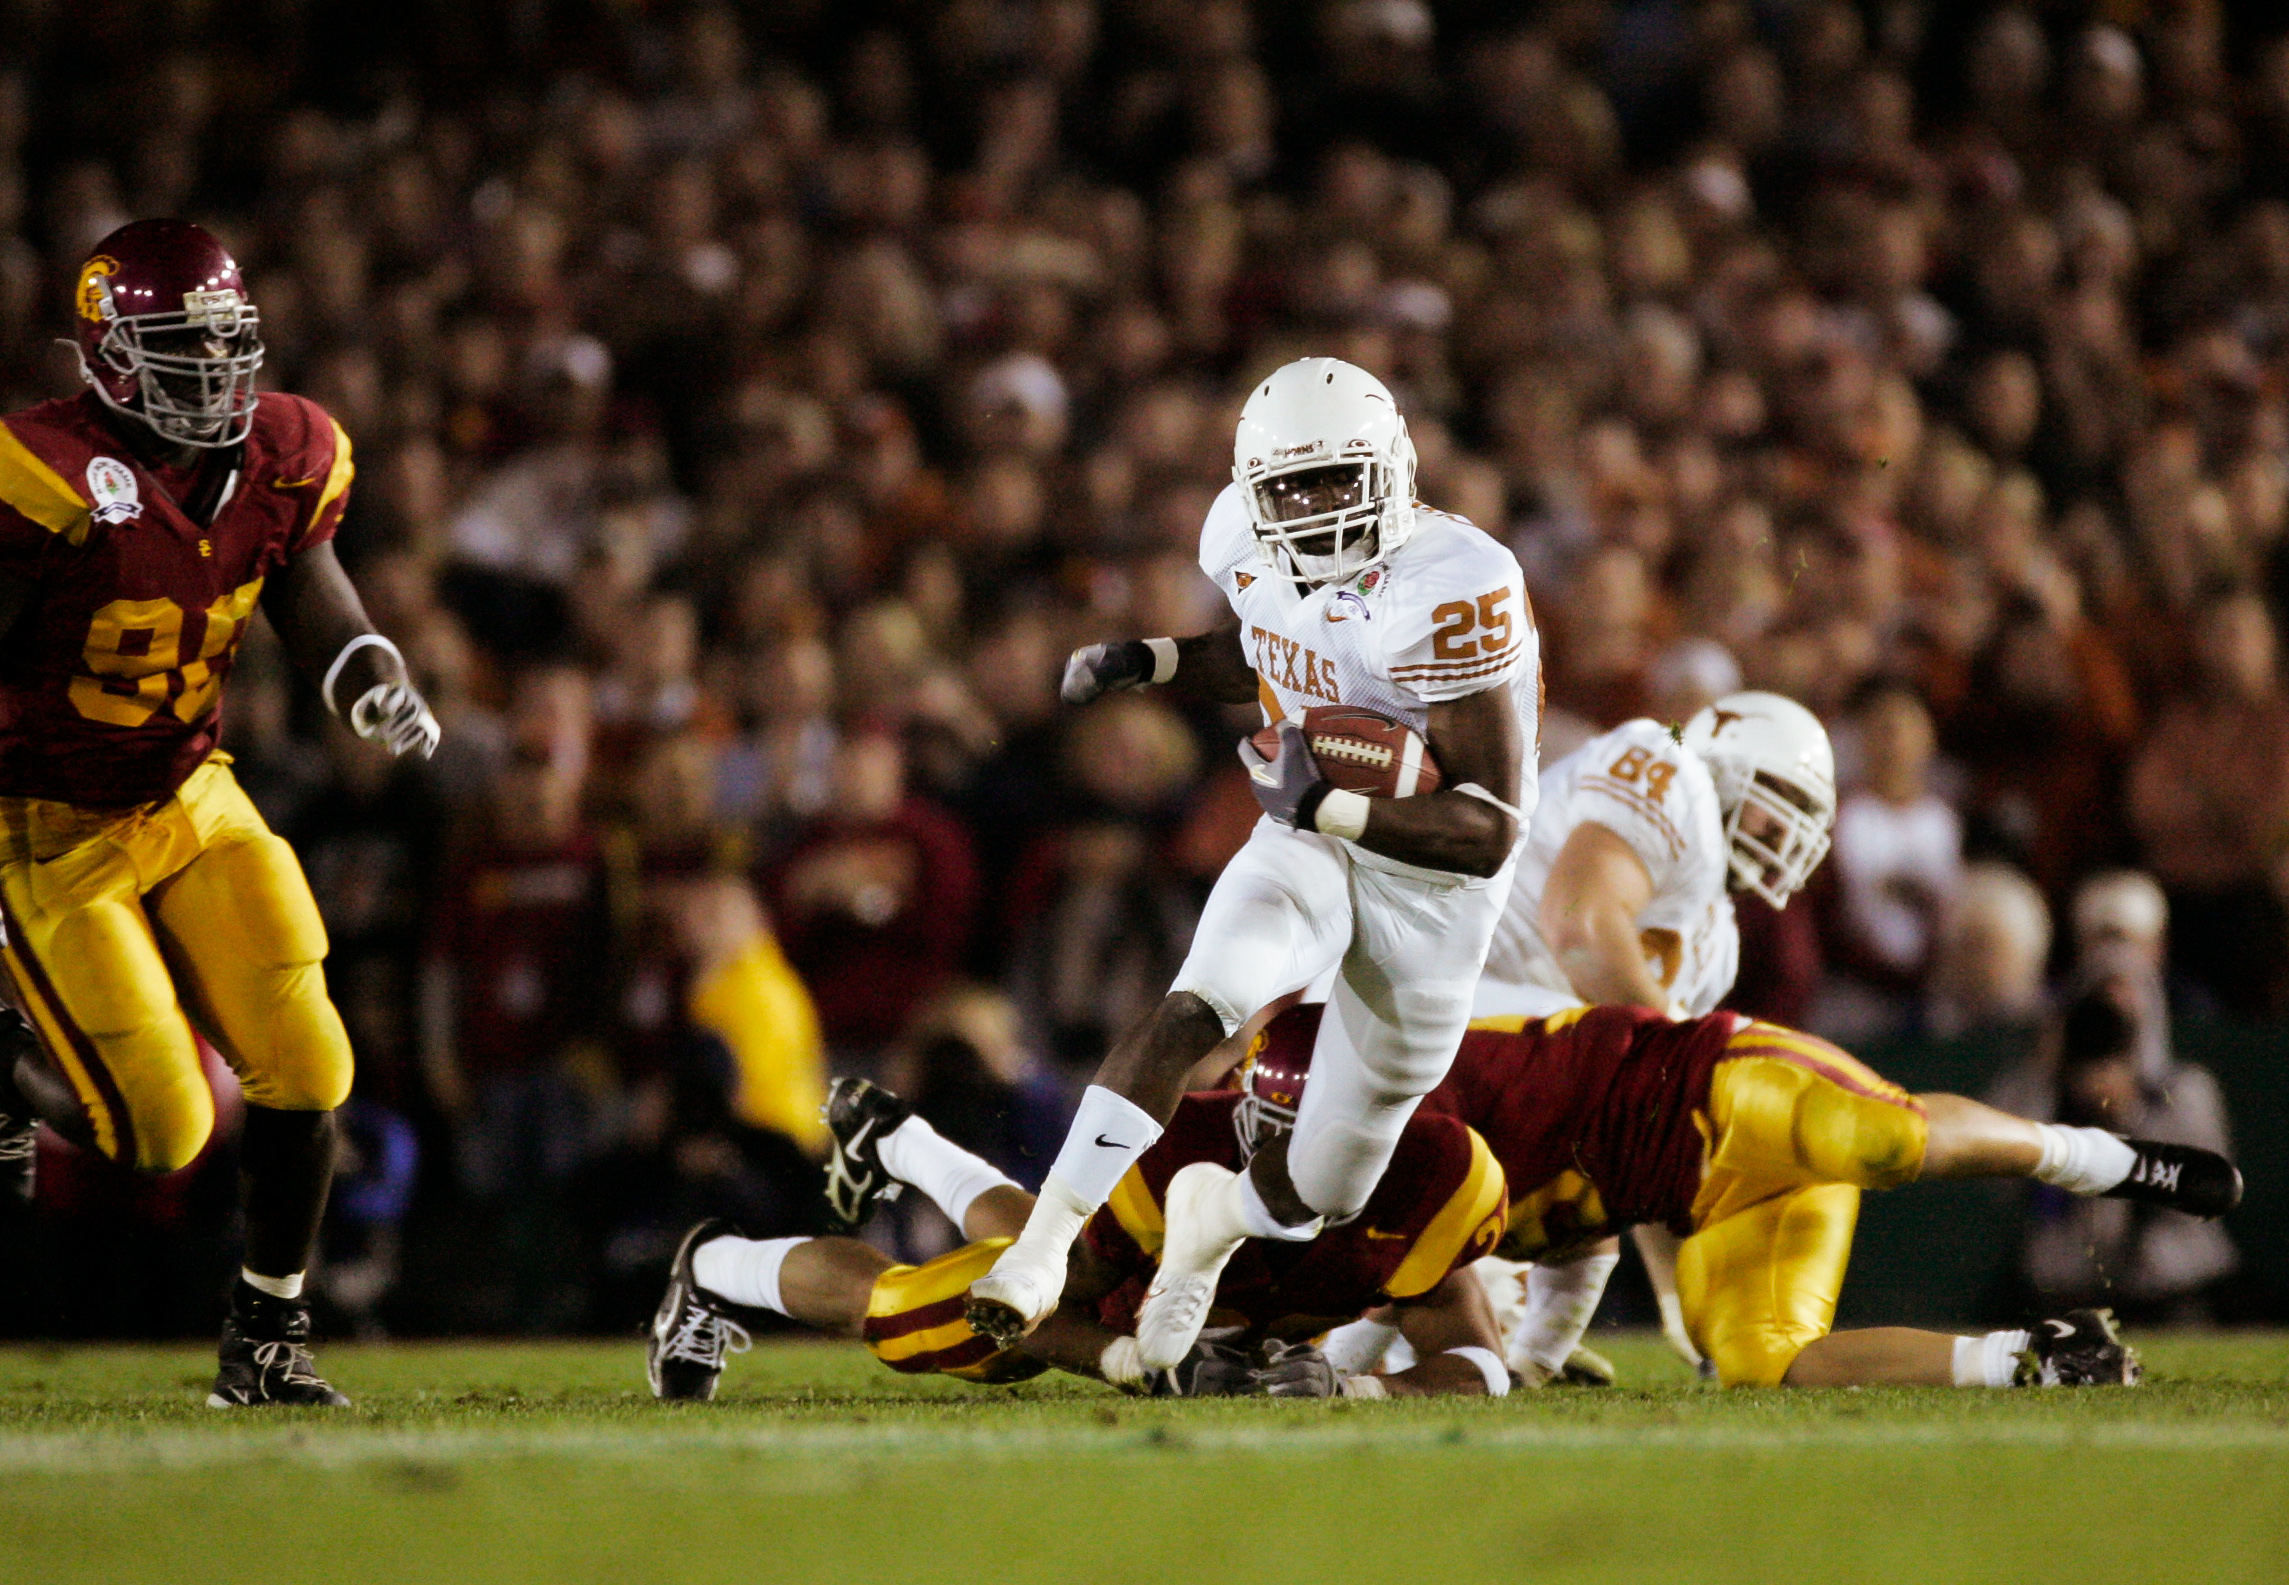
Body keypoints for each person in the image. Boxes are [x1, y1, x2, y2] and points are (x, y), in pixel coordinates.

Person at [969, 357, 1537, 1372]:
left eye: (1338, 479)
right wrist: (1158, 661)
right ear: (1254, 492)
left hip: (1436, 880)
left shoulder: (1458, 584)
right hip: (1313, 832)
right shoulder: (1236, 534)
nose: (1316, 507)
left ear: (1395, 467)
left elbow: (1490, 822)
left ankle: (1212, 1218)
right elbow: (1269, 651)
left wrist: (1329, 800)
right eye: (1292, 487)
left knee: (1325, 1187)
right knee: (1201, 1000)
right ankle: (1043, 1247)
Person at [0, 221, 439, 1405]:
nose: (214, 372)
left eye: (225, 344)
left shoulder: (288, 449)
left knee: (310, 1060)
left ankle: (268, 1339)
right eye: (176, 348)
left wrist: (365, 671)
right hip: (43, 820)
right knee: (160, 1131)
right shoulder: (33, 476)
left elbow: (304, 581)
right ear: (105, 355)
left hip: (188, 788)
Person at [1258, 999, 2237, 1389]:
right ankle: (2034, 1358)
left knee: (1880, 1135)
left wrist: (1356, 1358)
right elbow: (1546, 1245)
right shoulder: (1371, 1196)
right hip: (1714, 1203)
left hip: (1722, 1081)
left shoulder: (1441, 1075)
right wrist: (1346, 1367)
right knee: (1762, 1362)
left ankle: (2102, 1157)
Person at [645, 1061, 1511, 1403]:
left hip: (1126, 1275)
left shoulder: (1437, 1178)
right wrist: (1125, 1363)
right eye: (1271, 1127)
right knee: (904, 1306)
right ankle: (714, 1262)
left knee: (1039, 1239)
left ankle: (901, 1143)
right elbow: (1040, 1291)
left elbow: (1477, 1365)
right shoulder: (1179, 1156)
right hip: (1091, 1300)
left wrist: (1357, 1392)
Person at [1467, 690, 1836, 1371]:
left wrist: (1683, 1319)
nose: (1785, 831)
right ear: (1724, 766)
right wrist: (1681, 1066)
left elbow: (1643, 1124)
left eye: (1802, 813)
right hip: (1440, 1005)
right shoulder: (1664, 762)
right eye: (1777, 794)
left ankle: (1512, 1347)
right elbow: (1579, 931)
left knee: (1597, 1194)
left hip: (1513, 1067)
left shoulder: (1716, 940)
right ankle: (1453, 1325)